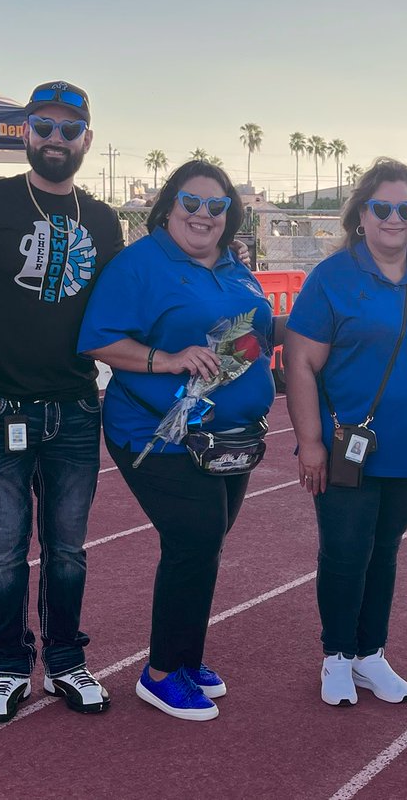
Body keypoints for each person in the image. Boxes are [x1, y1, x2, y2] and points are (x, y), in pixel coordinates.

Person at [0, 81, 125, 725]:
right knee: (4, 552)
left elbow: (120, 313)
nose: (56, 139)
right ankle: (8, 668)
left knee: (68, 551)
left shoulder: (103, 219)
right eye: (45, 126)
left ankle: (65, 660)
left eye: (70, 129)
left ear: (87, 140)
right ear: (25, 133)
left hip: (74, 409)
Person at [78, 160, 281, 722]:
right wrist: (164, 359)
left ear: (229, 216)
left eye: (216, 207)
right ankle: (162, 672)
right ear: (168, 207)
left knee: (206, 543)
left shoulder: (236, 265)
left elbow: (255, 332)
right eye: (191, 203)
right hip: (155, 433)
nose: (202, 215)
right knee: (195, 537)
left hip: (228, 436)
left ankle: (187, 659)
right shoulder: (139, 263)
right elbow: (97, 340)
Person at [285, 158, 407, 708]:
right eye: (382, 207)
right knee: (344, 551)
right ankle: (337, 655)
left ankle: (370, 654)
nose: (394, 217)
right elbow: (300, 362)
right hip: (347, 451)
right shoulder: (333, 277)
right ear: (362, 214)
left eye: (406, 209)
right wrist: (310, 442)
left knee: (384, 551)